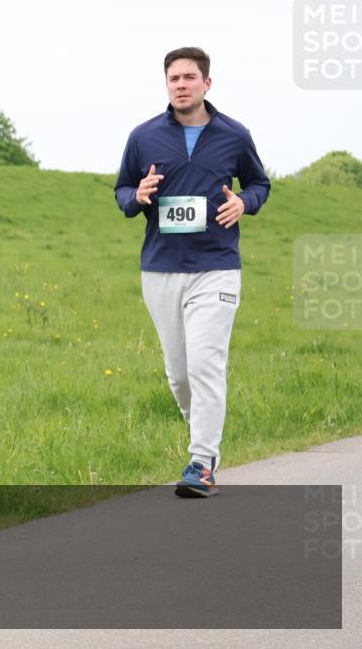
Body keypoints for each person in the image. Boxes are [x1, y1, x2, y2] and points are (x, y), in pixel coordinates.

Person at [114, 47, 271, 497]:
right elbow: (122, 190)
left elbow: (260, 184)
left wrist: (246, 202)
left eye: (188, 77)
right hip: (160, 268)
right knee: (179, 374)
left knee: (205, 364)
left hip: (216, 266)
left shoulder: (234, 135)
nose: (180, 84)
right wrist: (136, 196)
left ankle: (201, 462)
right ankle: (203, 429)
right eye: (172, 78)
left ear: (207, 83)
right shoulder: (143, 137)